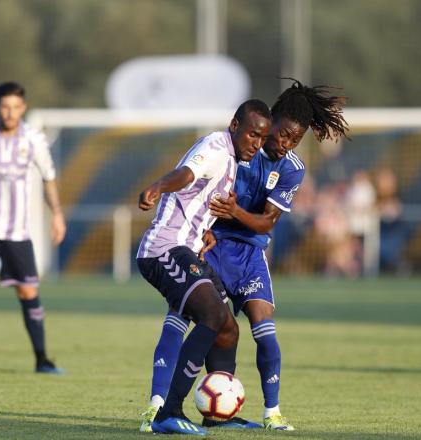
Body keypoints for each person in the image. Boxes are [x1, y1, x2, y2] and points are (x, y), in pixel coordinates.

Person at [140, 79, 349, 432]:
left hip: (250, 255)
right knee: (187, 318)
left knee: (254, 329)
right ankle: (157, 406)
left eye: (293, 140)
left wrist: (236, 212)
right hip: (210, 246)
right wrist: (201, 223)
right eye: (281, 135)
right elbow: (194, 178)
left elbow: (267, 222)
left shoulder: (290, 167)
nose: (284, 144)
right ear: (270, 123)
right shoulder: (235, 150)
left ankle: (266, 412)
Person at [136, 99, 271, 436]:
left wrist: (206, 231)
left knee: (228, 328)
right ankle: (168, 412)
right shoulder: (214, 146)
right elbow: (185, 175)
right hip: (163, 250)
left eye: (261, 138)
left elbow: (198, 199)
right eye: (252, 135)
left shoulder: (233, 160)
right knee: (212, 315)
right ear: (235, 126)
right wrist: (157, 186)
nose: (256, 144)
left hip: (190, 249)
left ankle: (217, 415)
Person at [0, 81, 67, 376]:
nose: (10, 113)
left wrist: (57, 214)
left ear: (23, 108)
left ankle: (42, 359)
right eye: (5, 107)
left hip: (18, 230)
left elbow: (48, 177)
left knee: (29, 291)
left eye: (15, 107)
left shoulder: (33, 139)